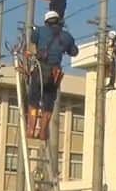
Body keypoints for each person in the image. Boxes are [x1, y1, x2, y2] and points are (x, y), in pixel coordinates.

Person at [28, 11, 79, 140]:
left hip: (39, 70)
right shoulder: (66, 36)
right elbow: (74, 52)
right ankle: (43, 133)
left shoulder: (39, 31)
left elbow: (32, 46)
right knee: (48, 104)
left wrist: (35, 54)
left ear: (46, 21)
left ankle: (31, 130)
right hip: (54, 74)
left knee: (33, 102)